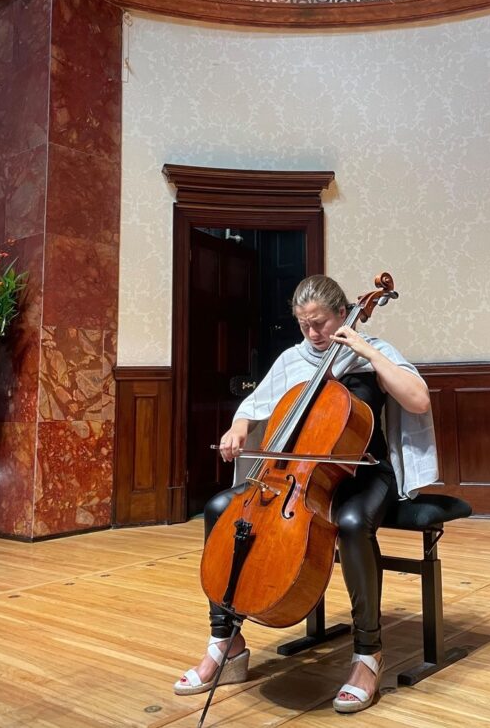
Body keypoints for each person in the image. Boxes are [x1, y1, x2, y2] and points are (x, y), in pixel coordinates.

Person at [174, 274, 438, 713]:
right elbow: (253, 405)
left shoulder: (373, 354)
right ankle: (227, 642)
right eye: (304, 325)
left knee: (353, 524)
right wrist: (238, 428)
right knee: (220, 507)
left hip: (363, 473)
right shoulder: (294, 359)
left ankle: (368, 654)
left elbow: (418, 400)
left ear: (342, 314)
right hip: (297, 476)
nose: (313, 334)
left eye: (319, 323)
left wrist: (365, 349)